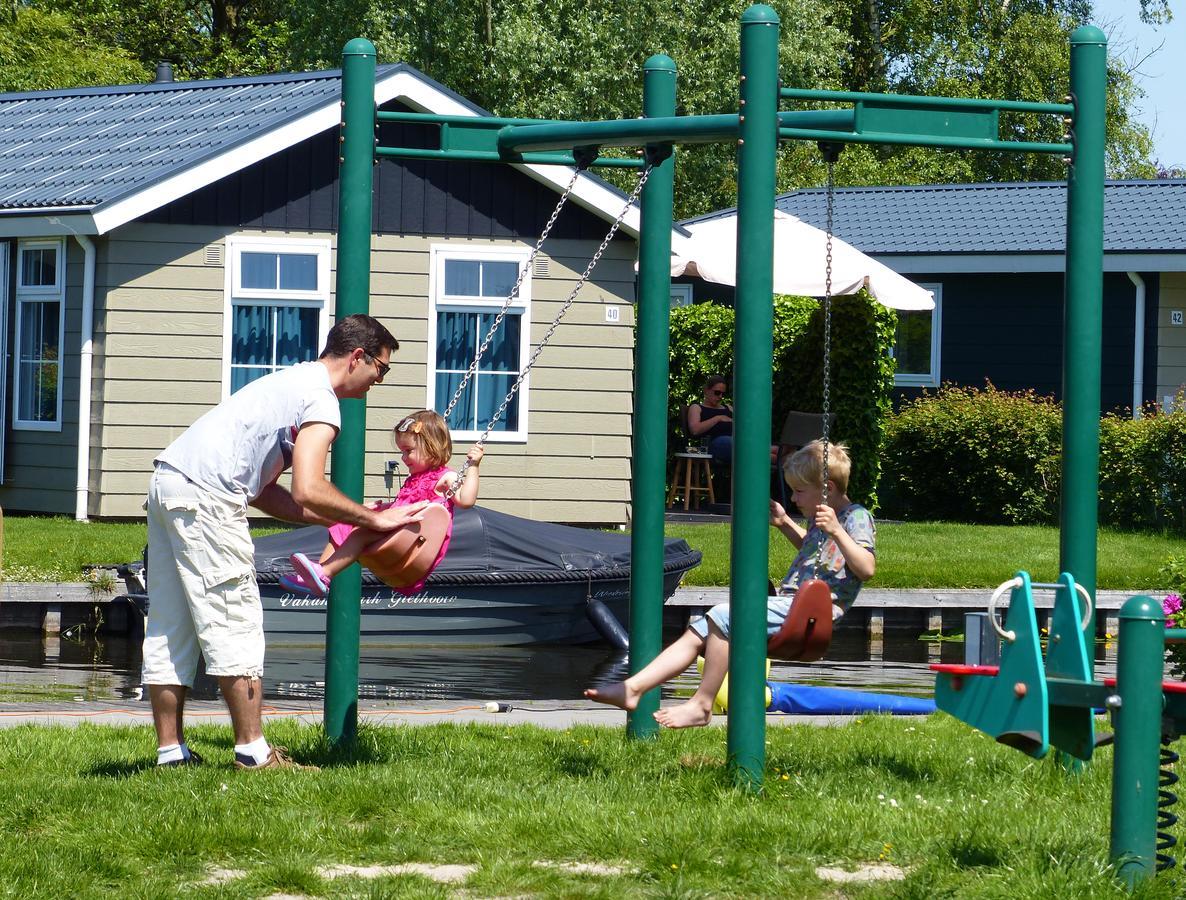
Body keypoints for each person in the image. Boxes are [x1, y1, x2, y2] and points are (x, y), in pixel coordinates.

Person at [142, 314, 430, 770]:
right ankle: (254, 753)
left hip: (169, 482)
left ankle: (170, 752)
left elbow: (267, 492)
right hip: (208, 498)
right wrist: (376, 517)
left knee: (169, 622)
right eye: (381, 367)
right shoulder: (320, 398)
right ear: (358, 357)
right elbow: (309, 488)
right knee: (235, 618)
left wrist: (353, 524)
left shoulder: (291, 382)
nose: (379, 378)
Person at [585, 439, 875, 728]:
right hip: (792, 606)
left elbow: (865, 568)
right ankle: (633, 688)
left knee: (725, 614)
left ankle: (702, 704)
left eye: (799, 492)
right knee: (699, 630)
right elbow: (813, 551)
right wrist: (785, 522)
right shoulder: (819, 518)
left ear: (829, 490)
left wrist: (837, 530)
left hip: (811, 614)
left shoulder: (855, 518)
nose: (794, 499)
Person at [282, 409, 483, 597]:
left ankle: (324, 573)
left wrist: (473, 466)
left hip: (415, 536)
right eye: (402, 451)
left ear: (432, 447)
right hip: (401, 528)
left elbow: (466, 500)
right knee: (344, 523)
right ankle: (316, 574)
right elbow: (402, 505)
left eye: (408, 451)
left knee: (360, 533)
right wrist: (381, 510)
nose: (403, 457)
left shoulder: (445, 477)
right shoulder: (415, 478)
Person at [686, 374, 733, 464]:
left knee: (761, 445)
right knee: (735, 443)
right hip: (714, 444)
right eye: (717, 392)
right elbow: (695, 430)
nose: (720, 397)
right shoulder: (697, 407)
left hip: (735, 442)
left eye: (723, 394)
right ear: (706, 390)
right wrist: (718, 418)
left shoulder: (728, 408)